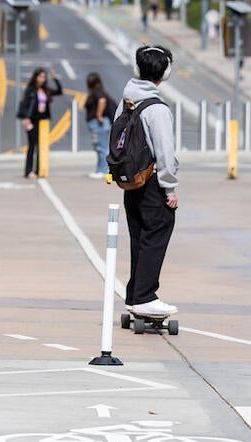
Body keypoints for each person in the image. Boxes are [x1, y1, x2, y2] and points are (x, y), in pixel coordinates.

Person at [118, 45, 180, 316]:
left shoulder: (126, 101)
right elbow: (165, 153)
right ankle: (145, 296)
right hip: (153, 182)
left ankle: (135, 294)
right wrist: (170, 188)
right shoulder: (157, 109)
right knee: (157, 232)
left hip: (132, 182)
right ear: (165, 72)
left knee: (139, 237)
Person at [16, 67, 63, 178]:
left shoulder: (46, 90)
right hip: (32, 119)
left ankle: (39, 169)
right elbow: (24, 104)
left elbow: (59, 91)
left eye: (44, 77)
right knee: (32, 145)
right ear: (36, 77)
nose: (42, 79)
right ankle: (29, 170)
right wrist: (25, 118)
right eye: (40, 77)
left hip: (43, 121)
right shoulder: (30, 90)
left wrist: (55, 78)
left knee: (41, 146)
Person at [84, 72, 115, 179]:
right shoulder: (99, 90)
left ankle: (103, 170)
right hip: (100, 124)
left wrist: (98, 114)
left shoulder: (97, 92)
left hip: (99, 124)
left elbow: (102, 101)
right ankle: (100, 169)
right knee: (100, 147)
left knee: (101, 148)